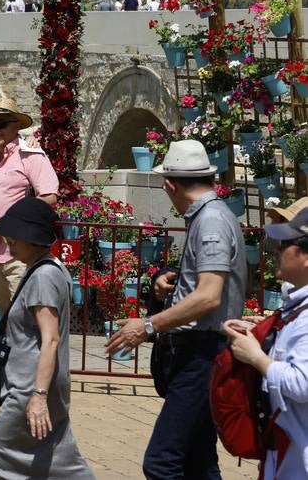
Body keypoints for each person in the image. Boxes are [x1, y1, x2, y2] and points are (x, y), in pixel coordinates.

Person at [107, 139, 247, 480]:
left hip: (202, 354)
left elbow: (209, 296)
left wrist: (148, 325)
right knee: (199, 461)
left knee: (162, 461)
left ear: (170, 184)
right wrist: (169, 285)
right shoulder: (211, 216)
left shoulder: (210, 220)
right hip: (203, 352)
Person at [0, 197, 95, 479]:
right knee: (57, 458)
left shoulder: (42, 277)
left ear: (34, 239)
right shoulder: (50, 268)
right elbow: (24, 332)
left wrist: (37, 397)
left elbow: (50, 339)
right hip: (46, 384)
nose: (9, 243)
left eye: (15, 239)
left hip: (30, 386)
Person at [224, 207, 308, 480]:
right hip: (286, 451)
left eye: (285, 244)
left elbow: (302, 384)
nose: (275, 251)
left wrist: (256, 358)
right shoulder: (298, 306)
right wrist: (259, 335)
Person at [0, 96, 58, 312]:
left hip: (20, 253)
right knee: (6, 319)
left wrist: (15, 227)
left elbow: (49, 197)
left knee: (25, 317)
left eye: (1, 124)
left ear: (17, 126)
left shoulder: (30, 156)